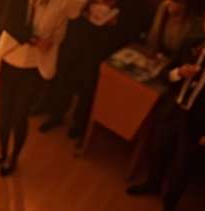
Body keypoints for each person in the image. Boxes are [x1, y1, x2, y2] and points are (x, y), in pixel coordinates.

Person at [126, 1, 205, 211]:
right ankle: (152, 184)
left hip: (197, 123)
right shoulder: (190, 45)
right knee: (157, 153)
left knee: (181, 168)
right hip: (172, 110)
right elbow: (164, 73)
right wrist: (178, 73)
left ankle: (170, 203)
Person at [0, 0, 82, 176]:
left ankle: (13, 158)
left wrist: (47, 42)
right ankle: (2, 151)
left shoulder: (60, 5)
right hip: (9, 61)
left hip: (34, 68)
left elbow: (60, 33)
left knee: (19, 117)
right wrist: (35, 40)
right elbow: (8, 23)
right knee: (3, 115)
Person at [38, 0, 143, 142]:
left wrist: (115, 21)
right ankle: (57, 114)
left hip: (103, 42)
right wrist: (85, 11)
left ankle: (80, 124)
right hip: (80, 33)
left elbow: (132, 26)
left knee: (89, 85)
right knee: (66, 75)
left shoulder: (132, 5)